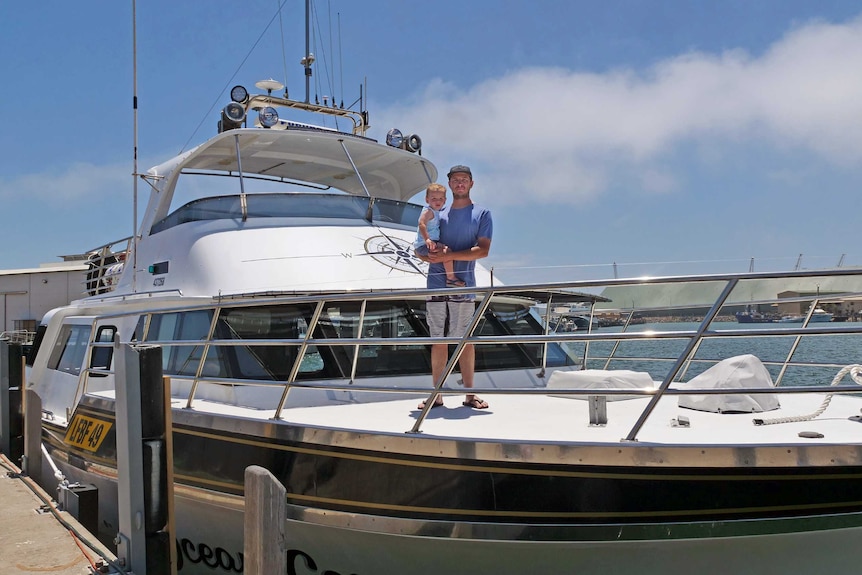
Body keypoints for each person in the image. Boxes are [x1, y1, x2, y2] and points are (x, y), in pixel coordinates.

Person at [418, 165, 493, 410]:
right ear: (449, 184)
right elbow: (421, 244)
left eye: (464, 179)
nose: (460, 183)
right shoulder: (438, 211)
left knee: (465, 340)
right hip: (435, 285)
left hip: (464, 283)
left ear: (471, 183)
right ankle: (436, 394)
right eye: (455, 180)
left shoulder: (482, 213)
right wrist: (429, 257)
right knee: (438, 340)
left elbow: (483, 250)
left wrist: (447, 256)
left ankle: (470, 395)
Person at [413, 183, 464, 287]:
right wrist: (427, 239)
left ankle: (450, 276)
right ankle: (450, 278)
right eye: (434, 198)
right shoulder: (428, 211)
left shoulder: (437, 212)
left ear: (445, 200)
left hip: (433, 243)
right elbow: (421, 223)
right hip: (424, 245)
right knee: (446, 253)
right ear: (427, 200)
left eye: (440, 198)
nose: (438, 201)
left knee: (447, 250)